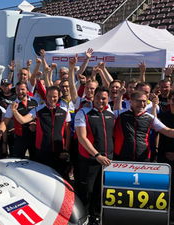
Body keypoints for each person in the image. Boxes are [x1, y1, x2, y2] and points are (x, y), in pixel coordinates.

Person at [10, 86, 71, 177]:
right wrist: (14, 111)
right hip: (42, 151)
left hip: (59, 150)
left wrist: (66, 149)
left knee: (61, 177)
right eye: (49, 96)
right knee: (43, 177)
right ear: (46, 96)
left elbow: (68, 132)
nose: (52, 99)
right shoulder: (38, 110)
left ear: (59, 96)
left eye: (54, 96)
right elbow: (23, 120)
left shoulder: (65, 111)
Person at [75, 87, 114, 225]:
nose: (100, 101)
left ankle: (95, 217)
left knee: (100, 190)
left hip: (107, 161)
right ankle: (82, 217)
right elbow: (82, 137)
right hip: (89, 159)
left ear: (108, 99)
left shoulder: (111, 113)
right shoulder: (83, 112)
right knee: (87, 191)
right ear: (93, 97)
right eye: (98, 97)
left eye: (104, 98)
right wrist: (97, 155)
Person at [114, 90, 174, 161]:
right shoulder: (120, 115)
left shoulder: (150, 118)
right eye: (138, 101)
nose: (142, 104)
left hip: (143, 157)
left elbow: (168, 131)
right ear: (131, 101)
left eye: (144, 101)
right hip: (122, 157)